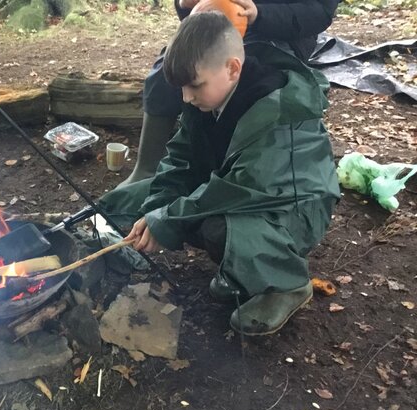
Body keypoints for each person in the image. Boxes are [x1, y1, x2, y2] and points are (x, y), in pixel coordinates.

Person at [99, 12, 340, 335]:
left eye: (194, 86)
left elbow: (236, 188)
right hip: (239, 190)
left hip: (294, 208)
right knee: (155, 201)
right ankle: (243, 269)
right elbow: (180, 158)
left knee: (215, 228)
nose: (186, 97)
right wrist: (156, 207)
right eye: (182, 88)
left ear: (232, 68)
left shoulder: (278, 111)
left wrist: (166, 220)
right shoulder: (208, 97)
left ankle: (287, 284)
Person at [120, 0, 340, 186]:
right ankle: (147, 169)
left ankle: (229, 172)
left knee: (245, 82)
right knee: (168, 73)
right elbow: (191, 14)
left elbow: (319, 10)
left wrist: (260, 13)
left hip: (280, 35)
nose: (187, 96)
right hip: (218, 24)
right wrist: (183, 4)